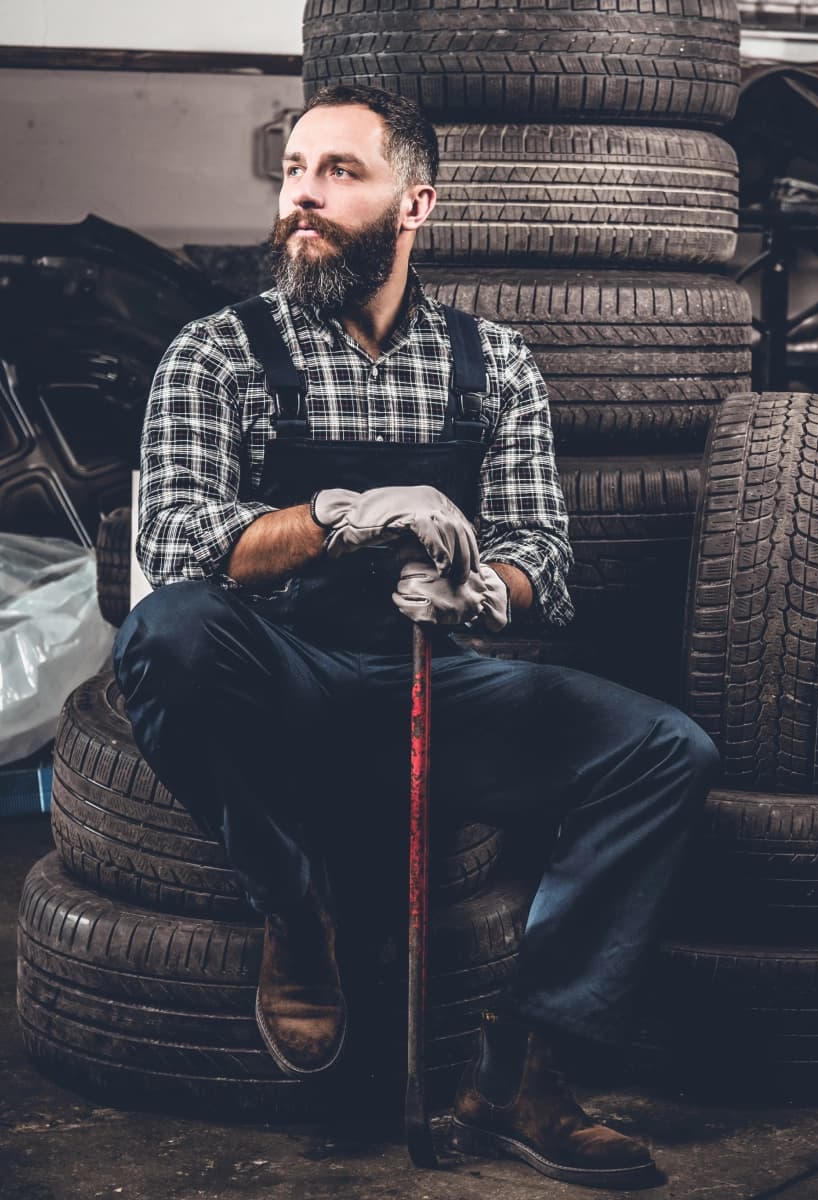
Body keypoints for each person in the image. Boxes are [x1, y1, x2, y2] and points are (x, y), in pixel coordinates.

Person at [112, 83, 720, 1189]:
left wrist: (486, 592)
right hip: (275, 675)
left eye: (340, 173)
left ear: (415, 203)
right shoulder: (220, 352)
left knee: (665, 751)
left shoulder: (493, 365)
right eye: (294, 171)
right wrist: (345, 515)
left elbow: (548, 556)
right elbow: (181, 533)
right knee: (168, 634)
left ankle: (523, 1076)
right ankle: (295, 915)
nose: (304, 196)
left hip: (430, 677)